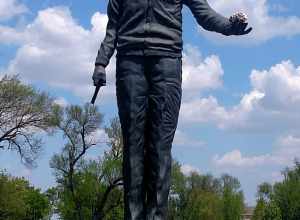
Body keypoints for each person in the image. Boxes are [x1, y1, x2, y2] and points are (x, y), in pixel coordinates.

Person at [92, 0, 252, 219]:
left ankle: (157, 215)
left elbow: (203, 13)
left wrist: (228, 27)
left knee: (160, 145)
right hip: (129, 63)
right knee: (133, 145)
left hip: (167, 62)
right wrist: (101, 62)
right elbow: (112, 27)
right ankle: (133, 215)